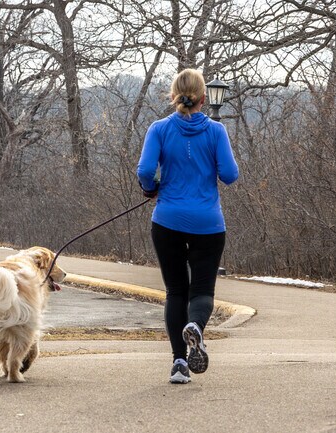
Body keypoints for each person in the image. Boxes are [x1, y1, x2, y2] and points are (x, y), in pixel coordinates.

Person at [136, 69, 239, 384]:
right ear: (204, 98)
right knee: (203, 289)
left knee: (176, 290)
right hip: (208, 223)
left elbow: (144, 170)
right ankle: (195, 325)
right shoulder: (216, 131)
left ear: (172, 96)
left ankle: (179, 363)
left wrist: (150, 188)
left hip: (167, 221)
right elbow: (230, 175)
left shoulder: (159, 129)